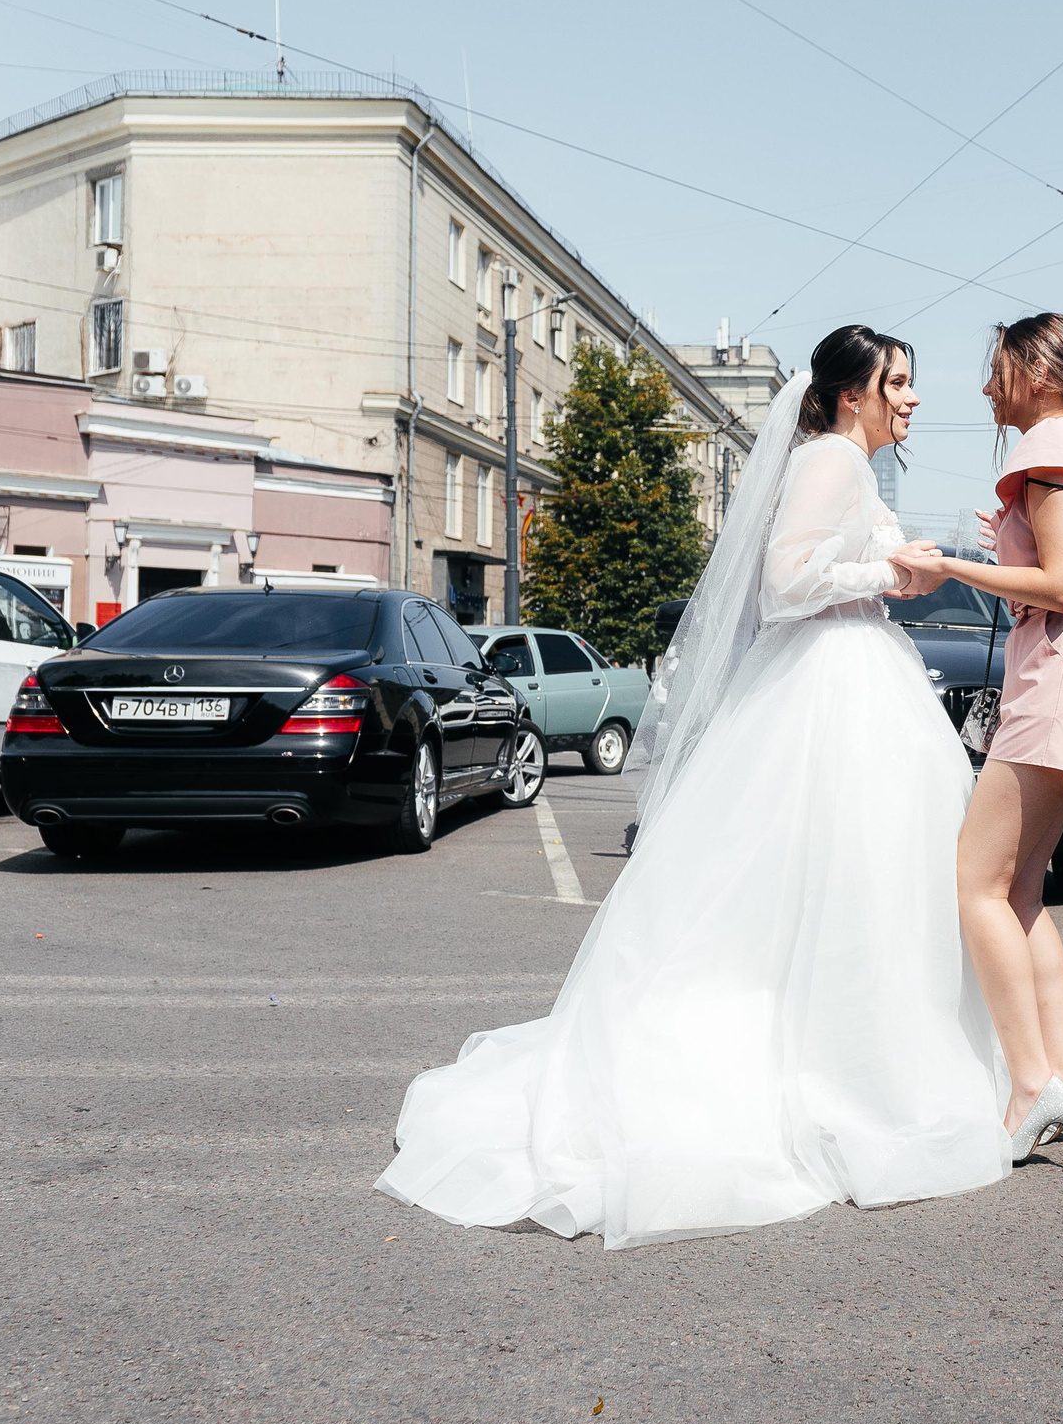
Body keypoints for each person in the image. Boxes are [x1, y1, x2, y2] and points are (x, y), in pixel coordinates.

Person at [375, 326, 1009, 1248]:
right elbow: (787, 582)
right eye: (898, 382)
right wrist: (890, 569)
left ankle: (863, 1060)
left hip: (856, 675)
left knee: (850, 883)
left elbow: (826, 574)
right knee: (830, 882)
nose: (911, 398)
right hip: (827, 687)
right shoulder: (830, 459)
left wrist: (891, 575)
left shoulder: (847, 464)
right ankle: (850, 1074)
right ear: (849, 395)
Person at [896, 314, 1063, 1162]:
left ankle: (1032, 1082)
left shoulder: (1044, 447)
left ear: (1037, 372)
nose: (983, 386)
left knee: (975, 881)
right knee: (1022, 888)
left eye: (995, 367)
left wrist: (951, 566)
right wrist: (1001, 541)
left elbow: (1061, 582)